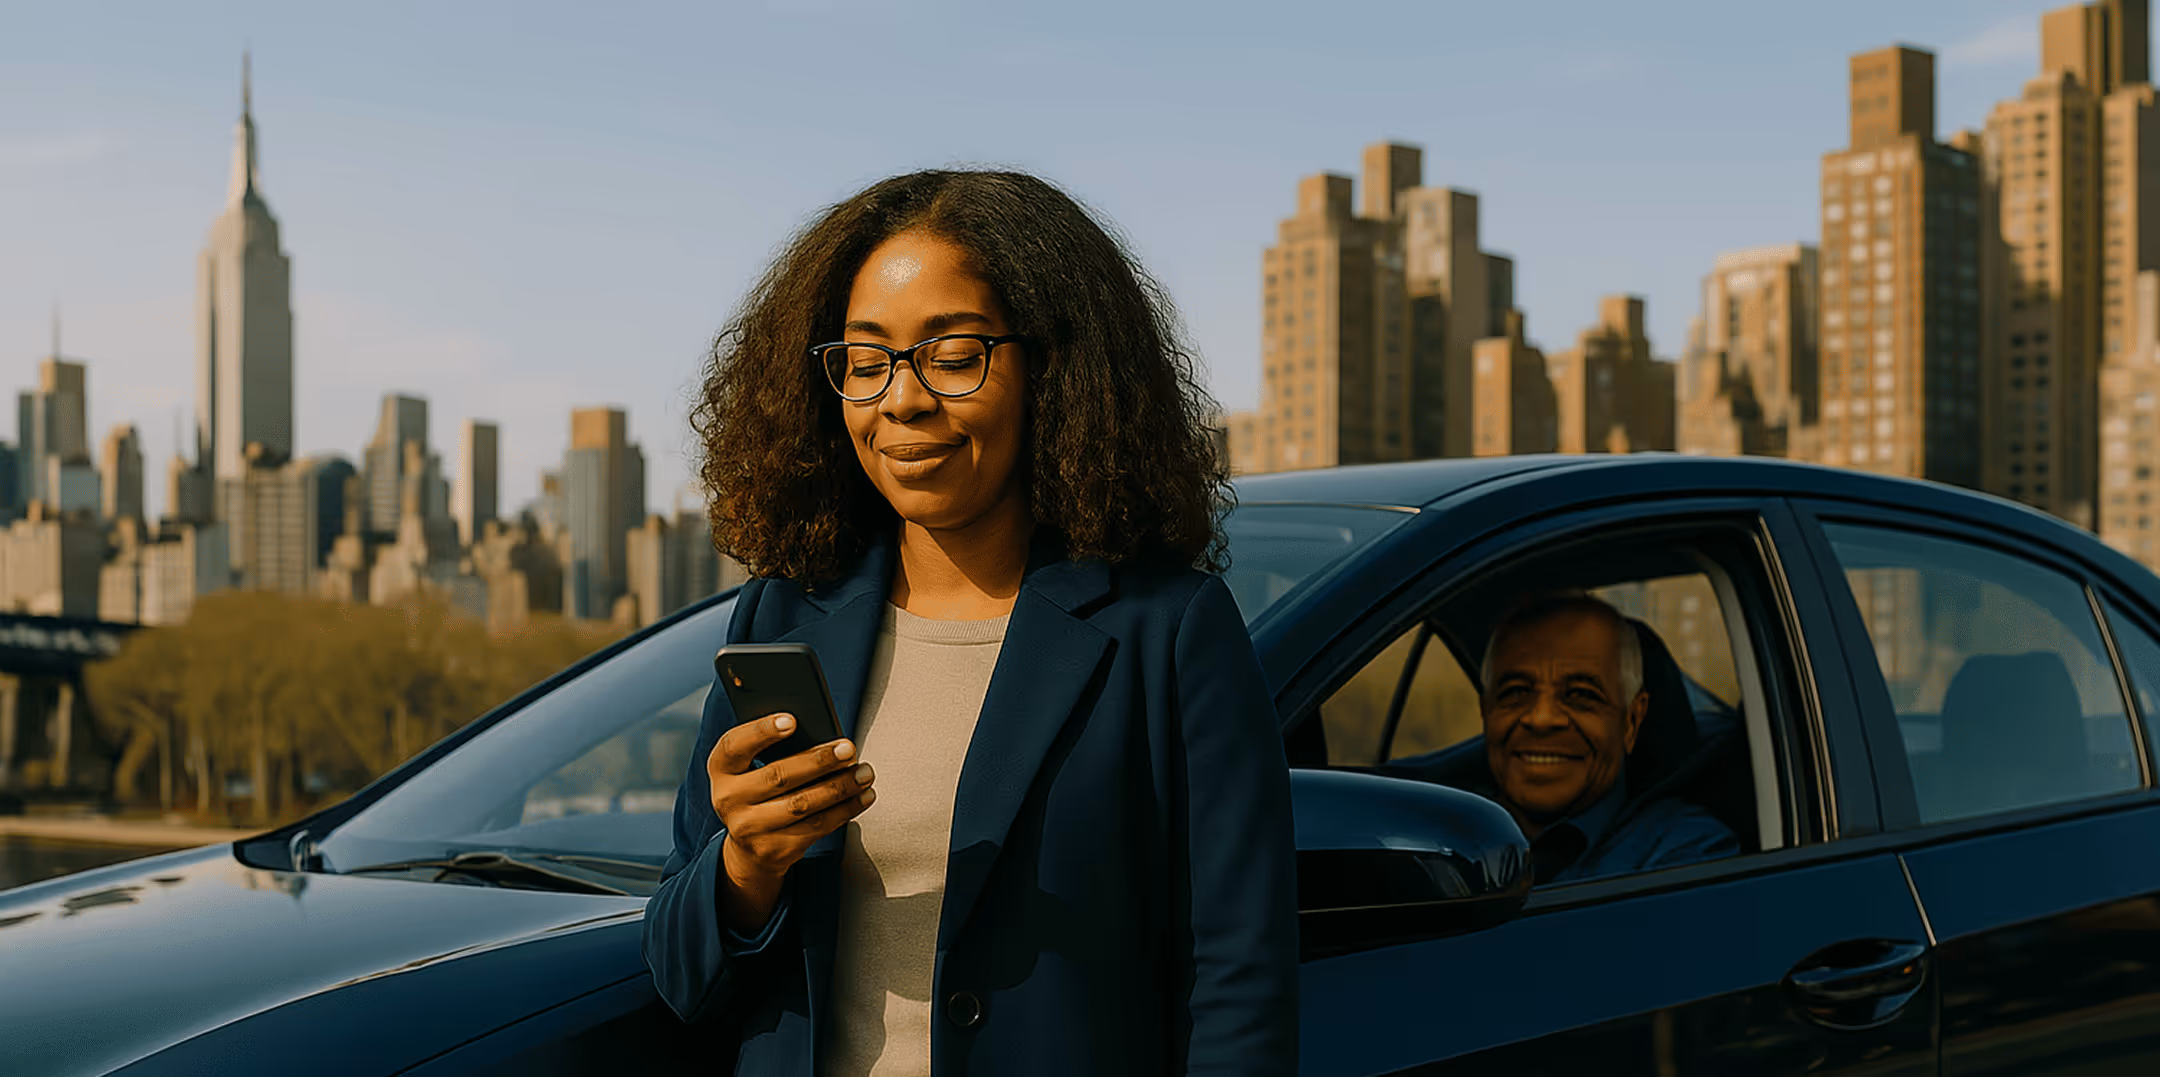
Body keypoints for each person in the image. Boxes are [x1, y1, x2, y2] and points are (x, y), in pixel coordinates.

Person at [641, 169, 1299, 1076]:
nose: (901, 399)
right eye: (866, 361)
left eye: (953, 355)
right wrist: (744, 866)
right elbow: (680, 978)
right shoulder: (784, 612)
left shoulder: (1170, 633)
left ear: (1053, 371)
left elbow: (1240, 993)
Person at [1476, 593, 1738, 885]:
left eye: (1580, 695)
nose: (1541, 719)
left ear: (1631, 722)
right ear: (1486, 712)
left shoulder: (1686, 853)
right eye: (1515, 692)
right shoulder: (1448, 836)